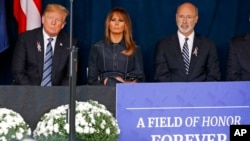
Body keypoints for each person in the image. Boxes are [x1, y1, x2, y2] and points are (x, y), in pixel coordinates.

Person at [154, 2, 221, 82]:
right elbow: (161, 77)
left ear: (196, 19)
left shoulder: (208, 45)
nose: (184, 21)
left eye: (189, 17)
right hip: (173, 93)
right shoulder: (163, 45)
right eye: (181, 17)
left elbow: (213, 76)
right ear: (176, 18)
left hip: (201, 93)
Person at [12, 4, 76, 86]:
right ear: (43, 19)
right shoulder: (26, 39)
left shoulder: (70, 43)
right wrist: (35, 94)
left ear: (63, 25)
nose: (53, 23)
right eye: (50, 18)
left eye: (58, 20)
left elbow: (70, 77)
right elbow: (18, 72)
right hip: (27, 93)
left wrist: (59, 95)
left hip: (57, 95)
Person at [87, 7, 145, 86]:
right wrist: (106, 82)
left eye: (121, 20)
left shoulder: (134, 48)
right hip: (102, 91)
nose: (116, 23)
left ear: (125, 25)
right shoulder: (97, 47)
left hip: (126, 91)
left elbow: (140, 77)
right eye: (113, 20)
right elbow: (91, 79)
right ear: (108, 23)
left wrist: (123, 83)